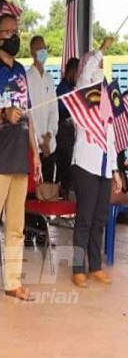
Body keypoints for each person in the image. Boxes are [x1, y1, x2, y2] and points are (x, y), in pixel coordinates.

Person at [0, 13, 41, 307]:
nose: (14, 36)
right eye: (9, 32)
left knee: (16, 225)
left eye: (17, 31)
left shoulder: (22, 72)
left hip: (19, 157)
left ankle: (13, 282)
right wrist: (3, 114)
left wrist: (35, 152)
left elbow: (27, 114)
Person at [71, 37, 122, 288]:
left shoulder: (105, 102)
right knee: (85, 219)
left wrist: (115, 170)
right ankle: (78, 268)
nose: (98, 71)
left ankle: (95, 266)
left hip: (103, 166)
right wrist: (100, 51)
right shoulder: (82, 92)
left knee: (99, 218)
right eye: (95, 66)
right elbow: (88, 70)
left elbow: (111, 138)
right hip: (85, 165)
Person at [26, 36, 58, 182]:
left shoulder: (50, 79)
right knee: (33, 196)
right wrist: (39, 140)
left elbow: (53, 110)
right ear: (32, 51)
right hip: (32, 149)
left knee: (48, 192)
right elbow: (27, 113)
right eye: (39, 48)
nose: (42, 51)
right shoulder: (25, 78)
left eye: (44, 48)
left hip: (49, 146)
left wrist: (48, 136)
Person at [56, 58, 79, 198]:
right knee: (65, 169)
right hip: (63, 133)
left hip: (71, 134)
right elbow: (60, 111)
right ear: (72, 72)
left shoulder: (72, 88)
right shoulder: (63, 89)